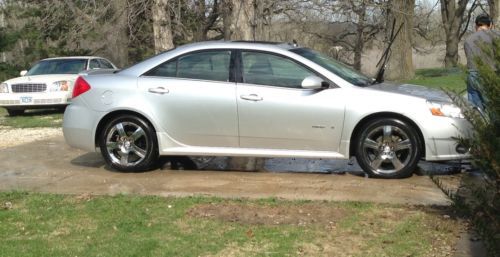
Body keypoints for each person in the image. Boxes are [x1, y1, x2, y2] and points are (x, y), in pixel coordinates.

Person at [464, 14, 499, 111]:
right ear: (490, 25)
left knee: (476, 110)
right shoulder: (495, 35)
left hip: (472, 75)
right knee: (493, 108)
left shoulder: (468, 40)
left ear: (476, 26)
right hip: (489, 74)